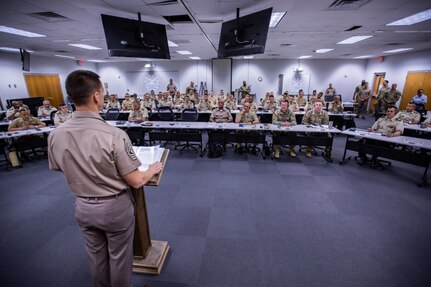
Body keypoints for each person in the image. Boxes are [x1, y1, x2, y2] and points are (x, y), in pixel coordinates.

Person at [48, 70, 163, 287]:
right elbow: (137, 180)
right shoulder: (114, 135)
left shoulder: (56, 134)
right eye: (102, 91)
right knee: (120, 259)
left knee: (96, 258)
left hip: (82, 205)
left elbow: (59, 167)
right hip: (113, 207)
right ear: (96, 96)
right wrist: (152, 169)